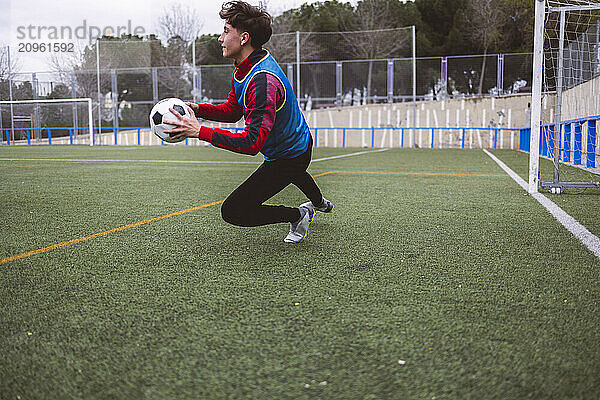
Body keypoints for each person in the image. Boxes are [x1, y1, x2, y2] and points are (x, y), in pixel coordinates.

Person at [165, 0, 332, 243]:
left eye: (225, 31)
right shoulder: (244, 67)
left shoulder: (262, 81)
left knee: (233, 210)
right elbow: (234, 110)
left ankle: (299, 214)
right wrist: (198, 109)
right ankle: (319, 202)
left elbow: (251, 143)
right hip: (290, 146)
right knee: (296, 173)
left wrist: (200, 131)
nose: (220, 39)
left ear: (244, 38)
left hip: (291, 154)